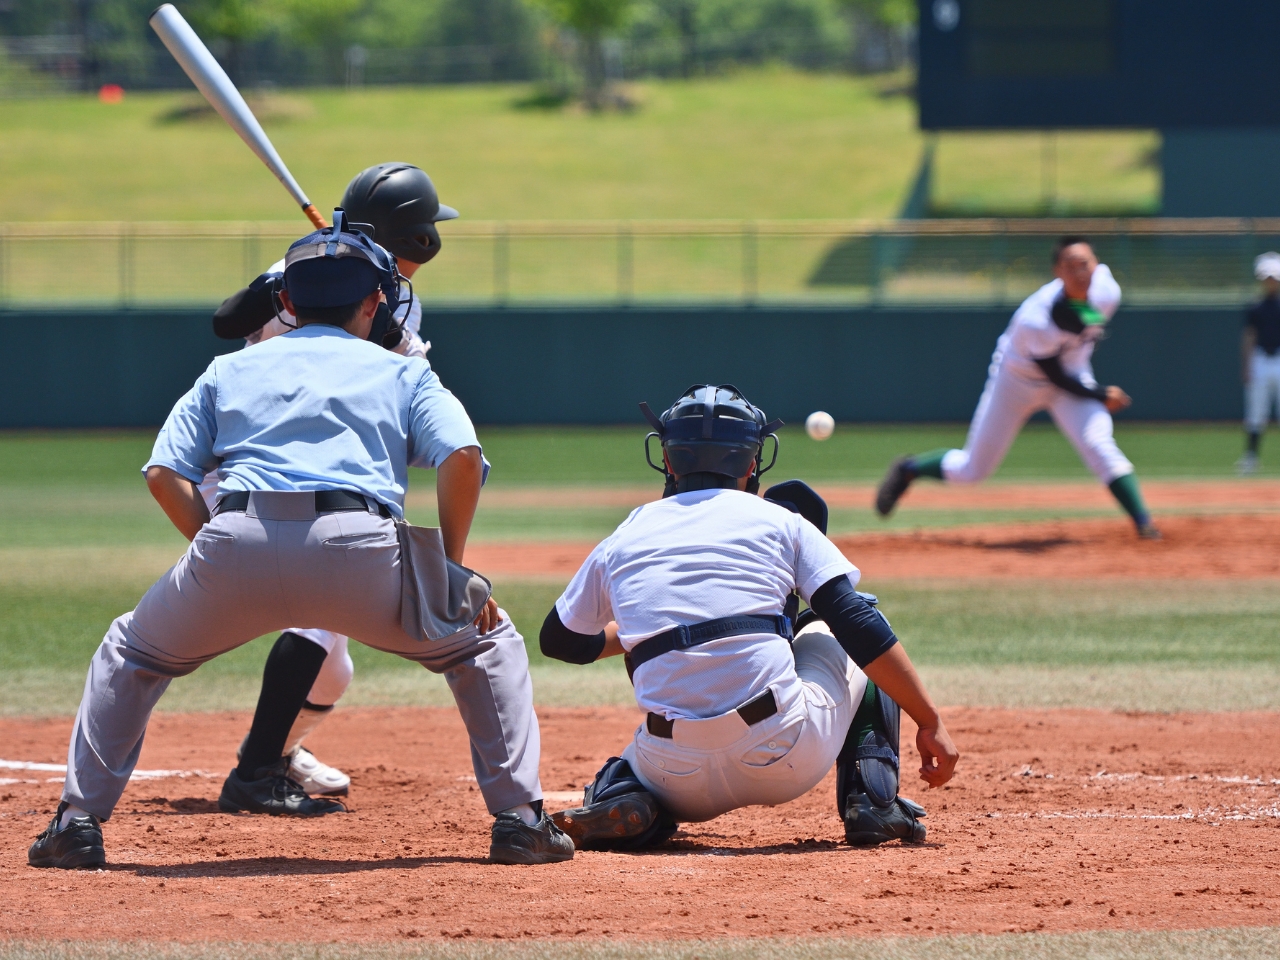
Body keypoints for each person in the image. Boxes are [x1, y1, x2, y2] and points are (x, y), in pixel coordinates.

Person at [27, 215, 573, 870]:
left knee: (130, 653)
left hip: (236, 536)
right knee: (485, 645)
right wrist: (450, 569)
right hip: (361, 550)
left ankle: (77, 824)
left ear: (285, 301)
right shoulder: (403, 372)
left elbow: (162, 473)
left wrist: (218, 548)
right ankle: (520, 822)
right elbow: (461, 456)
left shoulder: (231, 368)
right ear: (375, 301)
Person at [538, 384, 958, 850]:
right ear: (754, 461)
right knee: (850, 621)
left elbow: (559, 640)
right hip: (785, 755)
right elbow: (857, 623)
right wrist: (930, 719)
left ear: (669, 460)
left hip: (675, 774)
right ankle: (873, 803)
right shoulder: (781, 521)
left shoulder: (628, 531)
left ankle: (631, 796)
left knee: (633, 764)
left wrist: (642, 634)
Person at [208, 163, 459, 799]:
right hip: (252, 472)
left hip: (327, 474)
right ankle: (254, 771)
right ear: (417, 238)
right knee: (317, 614)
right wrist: (287, 283)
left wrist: (386, 318)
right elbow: (227, 321)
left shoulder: (396, 296)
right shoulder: (298, 273)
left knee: (334, 666)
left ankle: (279, 751)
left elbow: (396, 374)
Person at [875, 236, 1161, 539]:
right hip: (1017, 381)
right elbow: (1054, 376)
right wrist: (1101, 394)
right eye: (1070, 266)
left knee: (1099, 443)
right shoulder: (1036, 320)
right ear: (1057, 272)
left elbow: (1086, 326)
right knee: (972, 470)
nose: (1080, 272)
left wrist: (1092, 385)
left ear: (1097, 264)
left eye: (1085, 263)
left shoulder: (1107, 292)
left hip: (1073, 375)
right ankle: (909, 469)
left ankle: (1144, 523)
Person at [1238, 252, 1280, 475]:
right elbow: (1249, 337)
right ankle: (1251, 458)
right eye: (1267, 278)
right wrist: (1246, 365)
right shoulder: (1255, 307)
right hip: (1261, 360)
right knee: (1256, 413)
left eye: (1274, 278)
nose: (1270, 282)